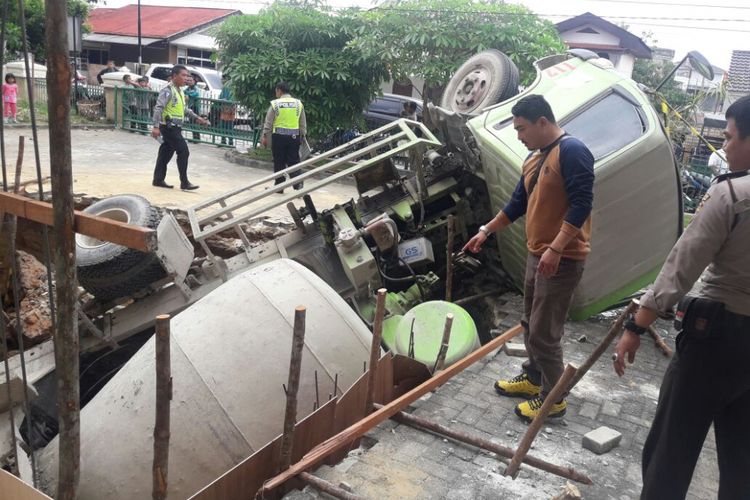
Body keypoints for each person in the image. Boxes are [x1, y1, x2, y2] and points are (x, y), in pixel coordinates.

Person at [613, 95, 750, 500]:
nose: (723, 147)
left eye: (728, 137)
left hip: (715, 338)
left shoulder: (731, 196)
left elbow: (681, 269)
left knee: (672, 447)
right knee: (742, 456)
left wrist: (636, 325)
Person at [462, 94, 594, 421]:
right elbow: (516, 204)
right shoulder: (535, 159)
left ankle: (554, 398)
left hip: (561, 259)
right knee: (529, 323)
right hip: (539, 255)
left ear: (542, 122)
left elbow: (582, 204)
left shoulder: (573, 151)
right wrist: (485, 231)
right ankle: (534, 378)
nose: (519, 136)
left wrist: (557, 247)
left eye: (522, 129)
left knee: (544, 332)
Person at [150, 65, 209, 190]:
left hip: (176, 127)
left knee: (165, 153)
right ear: (174, 76)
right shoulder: (168, 90)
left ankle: (158, 179)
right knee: (183, 151)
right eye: (183, 75)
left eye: (187, 75)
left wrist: (197, 118)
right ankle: (184, 182)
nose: (186, 78)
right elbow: (158, 108)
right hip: (168, 127)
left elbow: (184, 109)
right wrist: (155, 126)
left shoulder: (180, 91)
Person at [261, 81, 307, 193]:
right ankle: (298, 185)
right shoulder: (298, 104)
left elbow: (269, 122)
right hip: (294, 137)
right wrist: (303, 135)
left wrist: (265, 135)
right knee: (294, 161)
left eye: (276, 91)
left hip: (279, 137)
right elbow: (302, 122)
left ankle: (279, 186)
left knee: (279, 161)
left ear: (279, 91)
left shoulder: (275, 104)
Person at [218, 75, 236, 146]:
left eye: (223, 79)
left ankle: (230, 142)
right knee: (223, 126)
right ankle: (223, 141)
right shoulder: (224, 88)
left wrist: (226, 101)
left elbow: (233, 99)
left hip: (230, 110)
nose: (222, 81)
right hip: (223, 110)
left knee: (229, 127)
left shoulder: (232, 88)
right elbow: (220, 97)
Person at [184, 75, 202, 142]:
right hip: (190, 107)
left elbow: (195, 94)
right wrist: (187, 94)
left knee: (196, 123)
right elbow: (183, 92)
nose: (189, 82)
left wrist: (187, 94)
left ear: (194, 81)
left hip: (195, 107)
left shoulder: (195, 88)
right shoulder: (188, 88)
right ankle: (194, 137)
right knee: (191, 123)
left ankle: (197, 138)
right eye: (188, 80)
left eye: (191, 80)